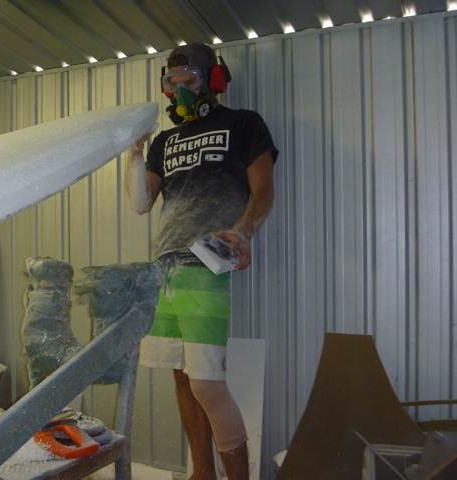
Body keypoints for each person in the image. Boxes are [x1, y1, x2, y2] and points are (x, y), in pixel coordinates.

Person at [125, 43, 277, 479]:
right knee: (181, 375)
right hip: (165, 267)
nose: (180, 91)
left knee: (206, 382)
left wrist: (243, 232)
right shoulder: (165, 141)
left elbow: (263, 191)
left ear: (213, 80)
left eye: (189, 80)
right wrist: (134, 154)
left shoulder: (243, 123)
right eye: (171, 83)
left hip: (205, 262)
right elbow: (141, 203)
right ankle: (202, 473)